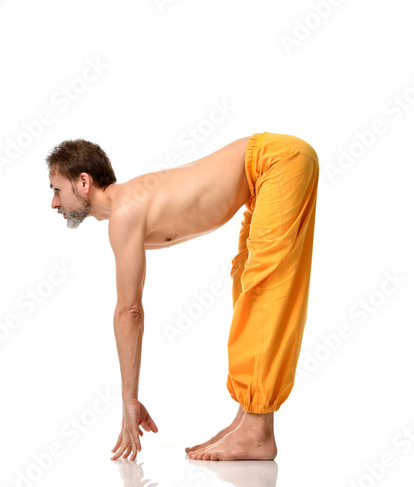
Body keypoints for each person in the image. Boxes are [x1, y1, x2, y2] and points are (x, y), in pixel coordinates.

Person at [46, 131, 319, 461]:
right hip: (265, 171)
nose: (54, 203)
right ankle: (248, 418)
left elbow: (129, 311)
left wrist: (128, 399)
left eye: (57, 189)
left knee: (265, 287)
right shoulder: (128, 207)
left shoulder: (125, 212)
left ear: (84, 182)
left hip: (275, 161)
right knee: (245, 279)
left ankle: (257, 431)